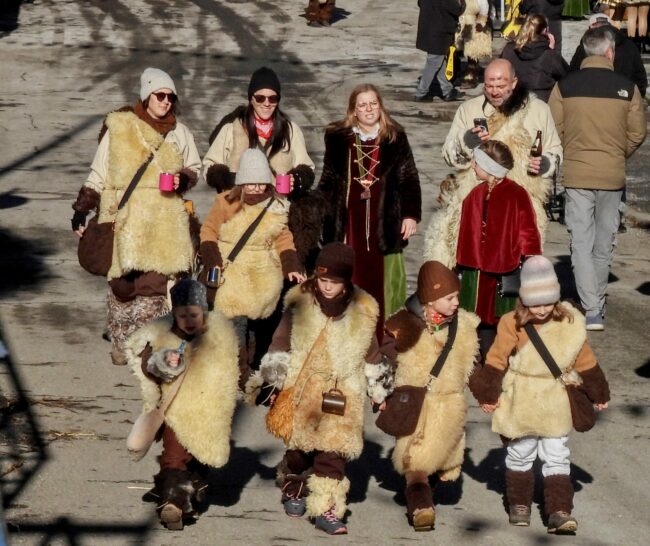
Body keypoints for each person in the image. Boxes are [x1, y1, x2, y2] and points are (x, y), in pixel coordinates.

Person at [251, 243, 393, 535]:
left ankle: (327, 508)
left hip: (345, 392)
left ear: (346, 281)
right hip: (304, 388)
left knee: (333, 453)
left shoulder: (363, 310)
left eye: (334, 281)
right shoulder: (300, 302)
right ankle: (294, 484)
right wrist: (272, 381)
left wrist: (378, 391)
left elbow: (372, 353)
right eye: (323, 279)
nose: (327, 287)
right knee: (300, 450)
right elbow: (280, 342)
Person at [469, 256, 610, 534]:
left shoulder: (570, 322)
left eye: (548, 302)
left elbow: (585, 360)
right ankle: (519, 504)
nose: (542, 309)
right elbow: (496, 359)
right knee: (520, 451)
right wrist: (488, 394)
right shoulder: (511, 322)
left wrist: (599, 392)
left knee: (557, 454)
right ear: (524, 300)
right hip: (521, 395)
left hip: (555, 397)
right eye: (535, 303)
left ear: (556, 298)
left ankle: (559, 510)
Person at [71, 67, 201, 366]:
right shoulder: (120, 127)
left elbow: (195, 167)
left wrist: (182, 178)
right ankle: (121, 338)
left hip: (163, 221)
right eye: (160, 95)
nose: (166, 101)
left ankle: (147, 348)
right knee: (122, 287)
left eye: (170, 97)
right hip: (124, 220)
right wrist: (81, 210)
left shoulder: (179, 133)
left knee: (153, 287)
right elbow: (99, 172)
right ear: (146, 96)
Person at [548, 26, 647, 330]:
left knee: (580, 242)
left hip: (577, 173)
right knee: (603, 244)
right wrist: (617, 154)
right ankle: (597, 303)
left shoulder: (565, 87)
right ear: (609, 53)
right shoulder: (627, 88)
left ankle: (591, 307)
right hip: (612, 175)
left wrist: (571, 151)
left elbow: (553, 128)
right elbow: (638, 133)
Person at [125, 279, 240, 530]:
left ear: (204, 312)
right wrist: (163, 362)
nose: (188, 320)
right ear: (174, 314)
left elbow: (235, 364)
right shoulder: (163, 335)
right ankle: (173, 503)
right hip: (176, 411)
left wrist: (254, 385)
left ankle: (191, 492)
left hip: (208, 411)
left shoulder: (220, 335)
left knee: (199, 459)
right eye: (182, 315)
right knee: (174, 458)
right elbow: (147, 366)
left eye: (194, 315)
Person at [425, 58, 561, 269]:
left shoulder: (538, 110)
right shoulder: (469, 110)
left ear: (514, 82)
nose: (494, 92)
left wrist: (546, 164)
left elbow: (555, 150)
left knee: (517, 267)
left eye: (501, 86)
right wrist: (466, 142)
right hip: (475, 206)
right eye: (489, 86)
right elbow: (449, 156)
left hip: (521, 207)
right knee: (470, 266)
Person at [315, 84, 422, 340]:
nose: (369, 109)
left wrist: (410, 214)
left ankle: (382, 340)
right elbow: (328, 179)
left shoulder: (395, 137)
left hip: (384, 222)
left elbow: (409, 178)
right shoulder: (338, 138)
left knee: (382, 285)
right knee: (351, 279)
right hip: (349, 221)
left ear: (380, 106)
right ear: (353, 110)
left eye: (373, 103)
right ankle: (348, 338)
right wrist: (314, 210)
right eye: (362, 105)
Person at [381, 261, 479, 531]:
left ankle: (424, 497)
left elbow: (474, 365)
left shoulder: (463, 327)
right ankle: (422, 509)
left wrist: (488, 393)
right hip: (416, 407)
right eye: (449, 298)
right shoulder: (404, 325)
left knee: (436, 467)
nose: (456, 303)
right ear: (430, 299)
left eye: (457, 296)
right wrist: (379, 393)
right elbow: (384, 360)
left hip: (449, 409)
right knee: (416, 464)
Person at [199, 148, 305, 379]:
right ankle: (238, 370)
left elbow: (283, 238)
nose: (256, 188)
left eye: (261, 183)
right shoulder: (226, 202)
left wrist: (291, 266)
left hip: (262, 272)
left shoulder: (277, 207)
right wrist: (212, 259)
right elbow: (209, 231)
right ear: (242, 182)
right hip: (232, 270)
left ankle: (252, 365)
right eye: (251, 183)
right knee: (234, 321)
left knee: (257, 322)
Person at [202, 66, 317, 265]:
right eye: (260, 97)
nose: (266, 103)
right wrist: (232, 181)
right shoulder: (232, 128)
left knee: (277, 266)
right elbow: (210, 166)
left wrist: (295, 180)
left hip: (277, 213)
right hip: (238, 213)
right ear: (251, 98)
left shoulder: (290, 130)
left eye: (273, 98)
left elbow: (307, 167)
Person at [455, 140, 542, 356]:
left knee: (501, 318)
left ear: (489, 167)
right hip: (474, 269)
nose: (473, 166)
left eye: (476, 163)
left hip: (503, 271)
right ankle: (472, 358)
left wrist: (532, 261)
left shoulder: (515, 194)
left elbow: (528, 231)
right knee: (471, 316)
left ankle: (498, 359)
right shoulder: (475, 194)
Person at [570, 13, 647, 97]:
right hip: (624, 98)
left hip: (589, 97)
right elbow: (640, 79)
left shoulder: (584, 47)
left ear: (590, 29)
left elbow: (572, 75)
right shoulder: (630, 46)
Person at [501, 14, 569, 102]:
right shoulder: (548, 54)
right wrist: (552, 50)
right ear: (545, 30)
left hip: (513, 98)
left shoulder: (509, 49)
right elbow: (566, 74)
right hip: (543, 101)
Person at [414, 0, 466, 102]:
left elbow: (420, 3)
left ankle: (447, 90)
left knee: (439, 61)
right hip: (439, 33)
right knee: (433, 63)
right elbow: (457, 9)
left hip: (429, 29)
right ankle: (421, 93)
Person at [456, 0, 492, 89]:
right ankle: (453, 74)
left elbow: (484, 10)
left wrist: (481, 23)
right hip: (457, 25)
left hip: (473, 26)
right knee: (454, 52)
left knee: (472, 54)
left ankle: (471, 78)